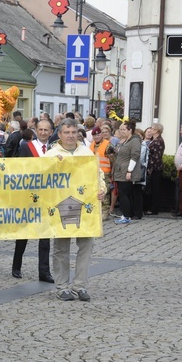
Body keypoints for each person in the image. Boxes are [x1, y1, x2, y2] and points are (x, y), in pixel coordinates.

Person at [45, 118, 106, 302]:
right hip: (61, 207)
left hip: (85, 207)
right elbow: (41, 179)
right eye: (66, 132)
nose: (70, 136)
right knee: (61, 249)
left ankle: (80, 285)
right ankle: (62, 286)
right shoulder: (51, 154)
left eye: (73, 132)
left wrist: (102, 189)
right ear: (60, 134)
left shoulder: (86, 152)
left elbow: (98, 174)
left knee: (86, 247)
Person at [11, 119, 54, 282]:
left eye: (46, 130)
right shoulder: (26, 147)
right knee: (23, 233)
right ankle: (16, 266)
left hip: (47, 197)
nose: (43, 132)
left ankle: (44, 271)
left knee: (45, 236)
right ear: (35, 130)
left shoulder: (54, 149)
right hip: (28, 196)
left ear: (51, 132)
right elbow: (20, 171)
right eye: (40, 129)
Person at [112, 121, 142, 224]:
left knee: (124, 193)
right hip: (121, 171)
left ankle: (126, 216)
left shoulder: (134, 141)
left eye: (123, 130)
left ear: (130, 130)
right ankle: (125, 215)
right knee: (124, 194)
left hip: (126, 171)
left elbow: (135, 156)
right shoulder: (125, 141)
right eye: (120, 129)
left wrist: (129, 171)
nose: (121, 131)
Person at [90, 124, 115, 221]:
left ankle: (105, 212)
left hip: (105, 173)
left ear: (101, 135)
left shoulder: (108, 145)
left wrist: (112, 173)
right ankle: (98, 211)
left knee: (105, 192)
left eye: (98, 135)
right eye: (94, 135)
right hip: (93, 173)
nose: (96, 137)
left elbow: (113, 160)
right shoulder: (91, 145)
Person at [145, 123, 165, 215]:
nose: (151, 130)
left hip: (156, 169)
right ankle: (151, 207)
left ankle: (154, 209)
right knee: (152, 188)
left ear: (156, 130)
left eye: (152, 129)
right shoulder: (154, 140)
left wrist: (151, 168)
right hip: (153, 167)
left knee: (155, 189)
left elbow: (156, 157)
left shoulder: (158, 141)